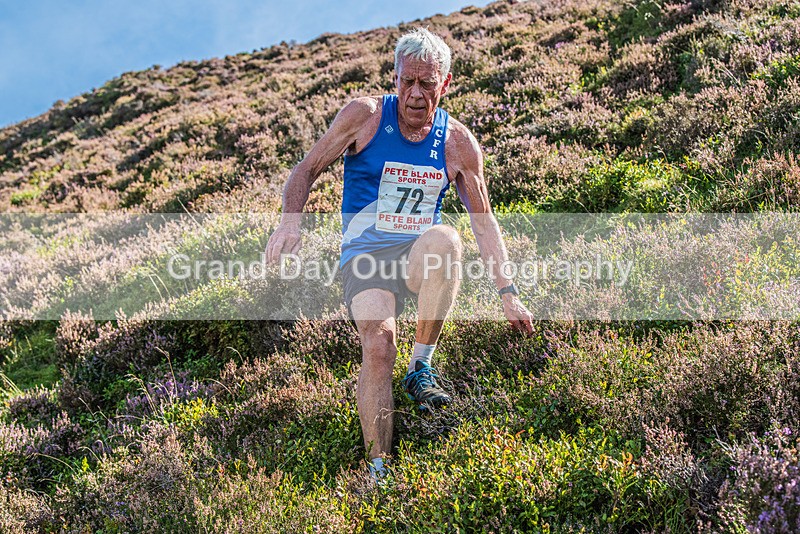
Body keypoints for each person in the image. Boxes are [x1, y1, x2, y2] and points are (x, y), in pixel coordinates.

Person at [266, 27, 534, 479]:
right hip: (365, 260)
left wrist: (508, 292)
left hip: (417, 258)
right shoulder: (365, 116)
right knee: (378, 345)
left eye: (426, 84)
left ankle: (421, 367)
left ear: (444, 85)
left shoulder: (457, 144)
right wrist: (291, 219)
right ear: (395, 78)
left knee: (447, 239)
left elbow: (483, 223)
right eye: (407, 81)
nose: (414, 94)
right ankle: (378, 469)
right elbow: (307, 169)